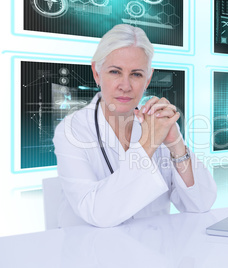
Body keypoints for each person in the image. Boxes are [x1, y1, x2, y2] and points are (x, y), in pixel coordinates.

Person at [53, 24, 217, 228]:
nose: (125, 85)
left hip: (153, 249)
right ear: (96, 73)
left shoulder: (155, 124)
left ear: (148, 78)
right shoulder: (72, 130)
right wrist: (148, 143)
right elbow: (97, 212)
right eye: (115, 72)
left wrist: (175, 143)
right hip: (92, 252)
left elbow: (200, 203)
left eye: (136, 74)